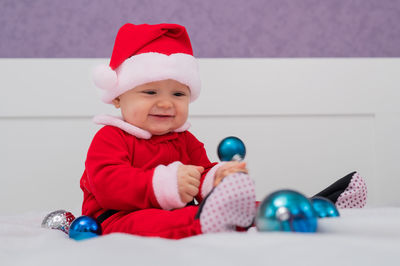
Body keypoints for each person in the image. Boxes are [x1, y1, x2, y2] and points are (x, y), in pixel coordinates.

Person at [80, 23, 367, 240]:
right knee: (154, 222)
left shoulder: (185, 139)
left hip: (175, 209)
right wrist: (167, 184)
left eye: (179, 94)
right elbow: (107, 186)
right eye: (150, 91)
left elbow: (203, 171)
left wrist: (218, 179)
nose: (166, 103)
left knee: (247, 203)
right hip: (115, 216)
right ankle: (209, 222)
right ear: (118, 97)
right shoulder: (111, 137)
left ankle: (315, 207)